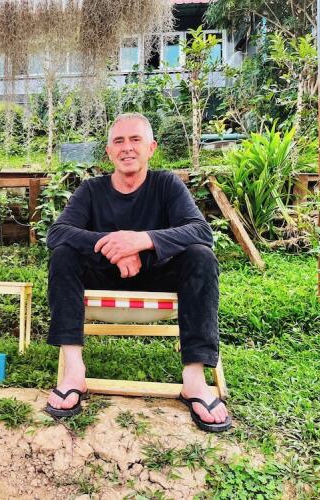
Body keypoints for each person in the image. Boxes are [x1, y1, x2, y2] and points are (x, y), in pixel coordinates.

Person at [45, 113, 231, 432]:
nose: (127, 148)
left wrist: (142, 241)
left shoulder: (167, 185)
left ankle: (194, 380)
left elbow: (201, 231)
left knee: (201, 256)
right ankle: (74, 372)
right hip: (104, 278)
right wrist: (115, 246)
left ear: (151, 148)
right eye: (118, 141)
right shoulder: (91, 190)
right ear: (109, 152)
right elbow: (57, 233)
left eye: (135, 140)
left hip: (159, 280)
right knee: (62, 254)